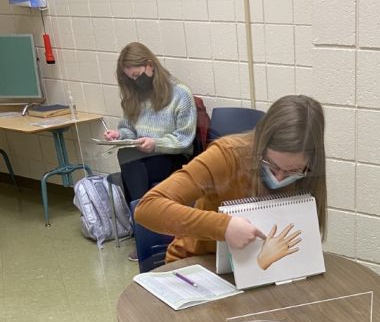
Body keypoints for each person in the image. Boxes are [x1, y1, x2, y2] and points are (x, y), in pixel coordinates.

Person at [134, 94, 327, 263]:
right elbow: (148, 208)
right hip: (197, 265)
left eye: (292, 171)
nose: (279, 177)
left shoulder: (309, 172)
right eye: (272, 165)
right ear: (261, 144)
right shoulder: (227, 155)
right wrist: (223, 227)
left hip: (253, 269)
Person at [104, 42, 197, 205]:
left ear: (150, 65)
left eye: (136, 74)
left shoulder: (181, 94)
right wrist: (120, 135)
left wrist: (155, 144)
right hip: (143, 155)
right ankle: (143, 214)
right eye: (130, 78)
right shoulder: (135, 96)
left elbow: (184, 139)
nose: (135, 81)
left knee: (132, 165)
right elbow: (129, 130)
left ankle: (140, 214)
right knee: (127, 156)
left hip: (173, 154)